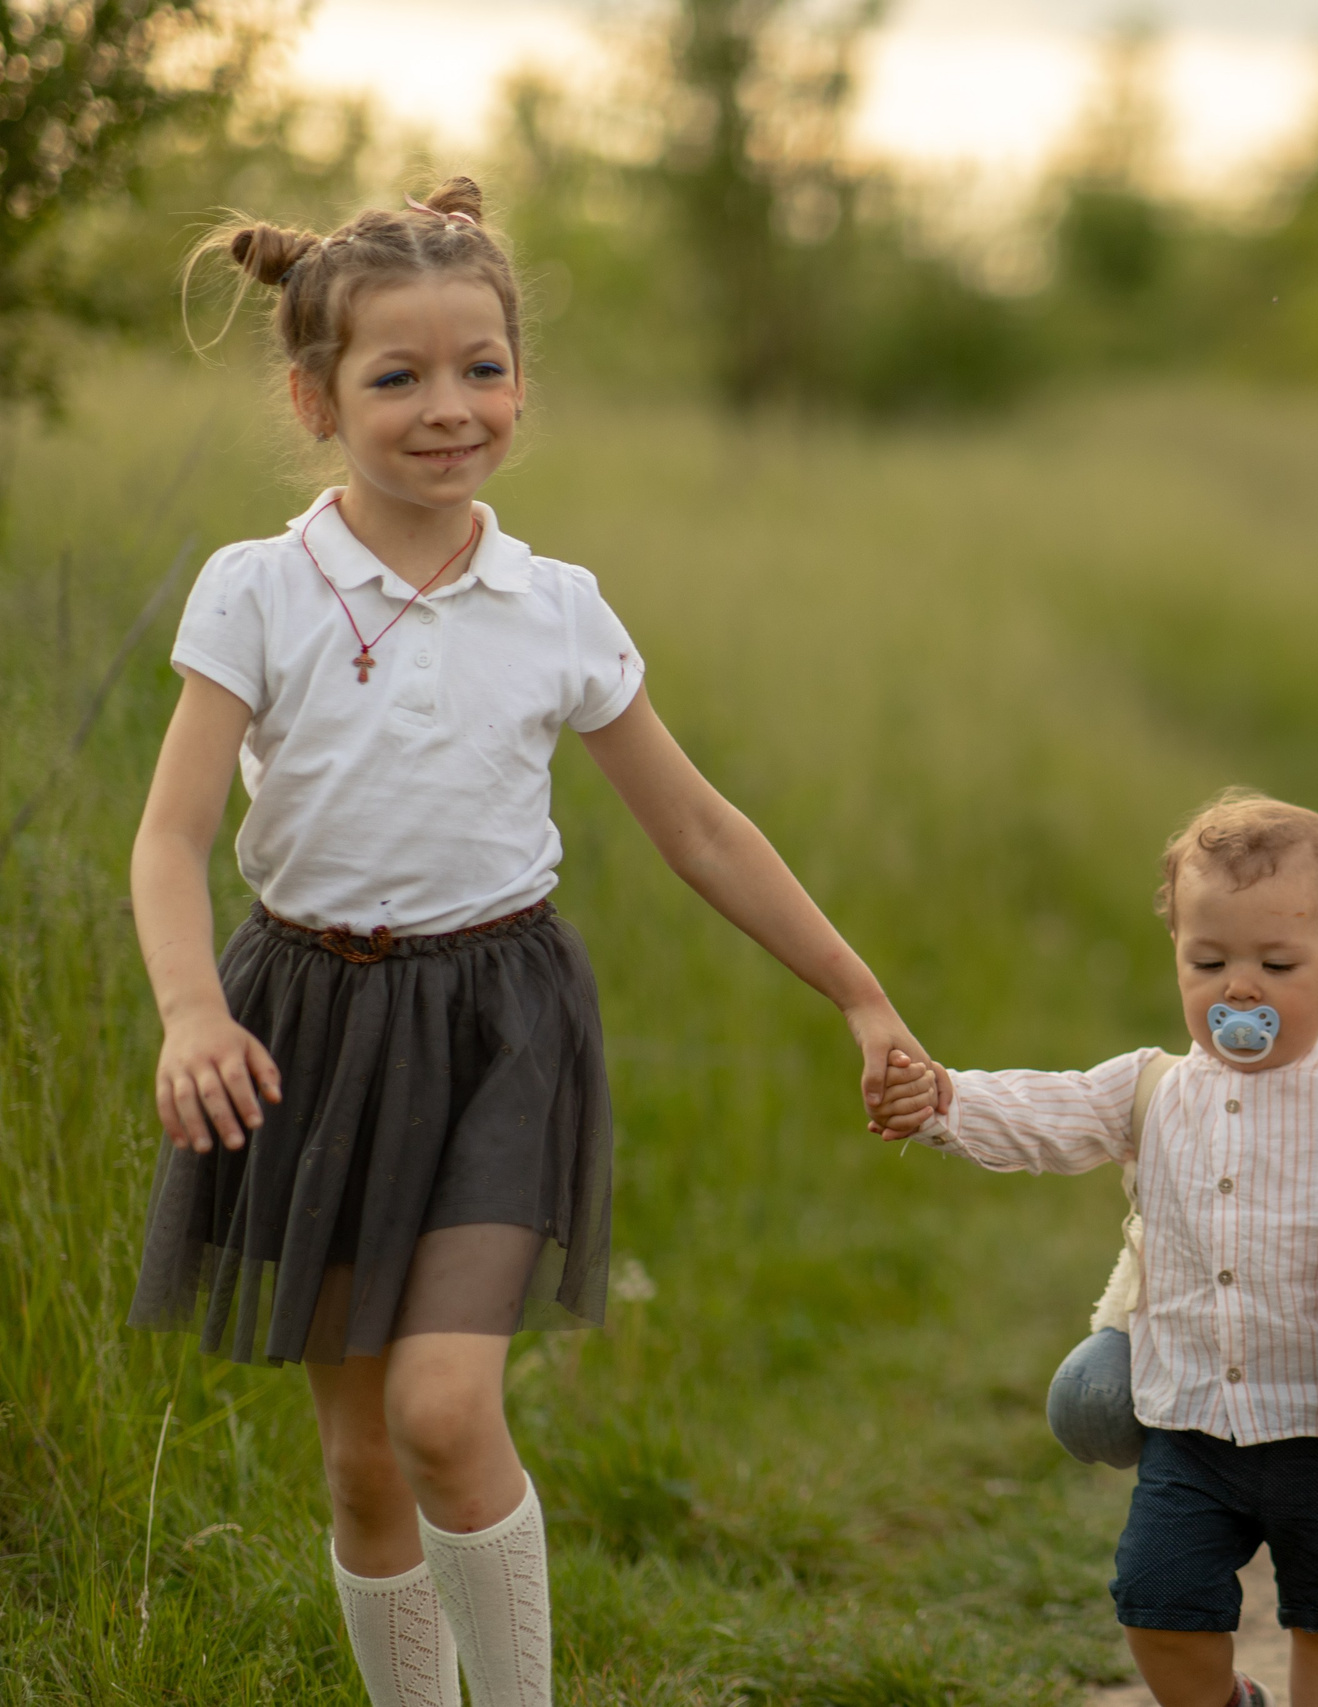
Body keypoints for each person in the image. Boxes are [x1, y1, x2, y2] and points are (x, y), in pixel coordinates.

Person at [125, 178, 942, 1707]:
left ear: (520, 379)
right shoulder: (259, 588)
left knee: (445, 1409)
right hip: (301, 1026)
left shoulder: (555, 607)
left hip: (502, 1023)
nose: (451, 408)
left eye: (483, 369)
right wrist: (189, 1011)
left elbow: (698, 827)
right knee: (364, 1458)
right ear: (314, 398)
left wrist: (861, 994)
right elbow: (168, 836)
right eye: (399, 376)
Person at [873, 791, 1318, 1707]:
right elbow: (1046, 1111)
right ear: (1177, 958)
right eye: (1208, 961)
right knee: (1156, 1604)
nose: (1238, 987)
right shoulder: (1152, 1090)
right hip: (1192, 1420)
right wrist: (942, 1100)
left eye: (1276, 962)